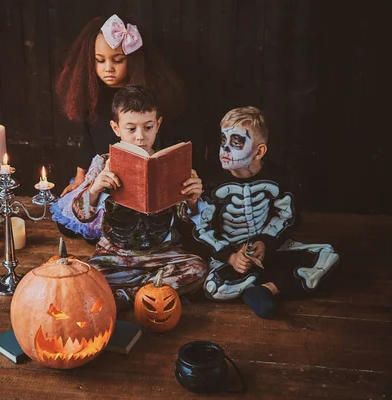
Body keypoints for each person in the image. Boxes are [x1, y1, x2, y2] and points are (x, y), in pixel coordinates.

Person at [192, 106, 339, 318]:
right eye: (223, 141)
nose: (224, 150)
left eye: (236, 142)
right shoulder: (212, 183)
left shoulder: (279, 178)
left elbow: (287, 216)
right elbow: (202, 227)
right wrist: (231, 257)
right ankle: (277, 282)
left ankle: (265, 288)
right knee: (213, 288)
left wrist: (265, 242)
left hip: (270, 249)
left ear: (259, 151)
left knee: (329, 255)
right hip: (230, 255)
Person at [67, 85, 207, 307]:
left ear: (158, 125)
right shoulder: (103, 164)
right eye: (131, 129)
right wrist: (94, 190)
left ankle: (127, 295)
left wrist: (193, 200)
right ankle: (151, 290)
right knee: (85, 278)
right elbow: (80, 215)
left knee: (197, 269)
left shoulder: (170, 163)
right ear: (116, 128)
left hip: (161, 254)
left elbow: (187, 219)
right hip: (114, 255)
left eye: (148, 127)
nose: (140, 137)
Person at [51, 14, 184, 242]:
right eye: (100, 61)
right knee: (70, 223)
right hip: (105, 170)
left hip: (140, 170)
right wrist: (79, 178)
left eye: (117, 60)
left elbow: (161, 140)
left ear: (132, 59)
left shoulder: (148, 97)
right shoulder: (92, 94)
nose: (108, 69)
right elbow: (86, 139)